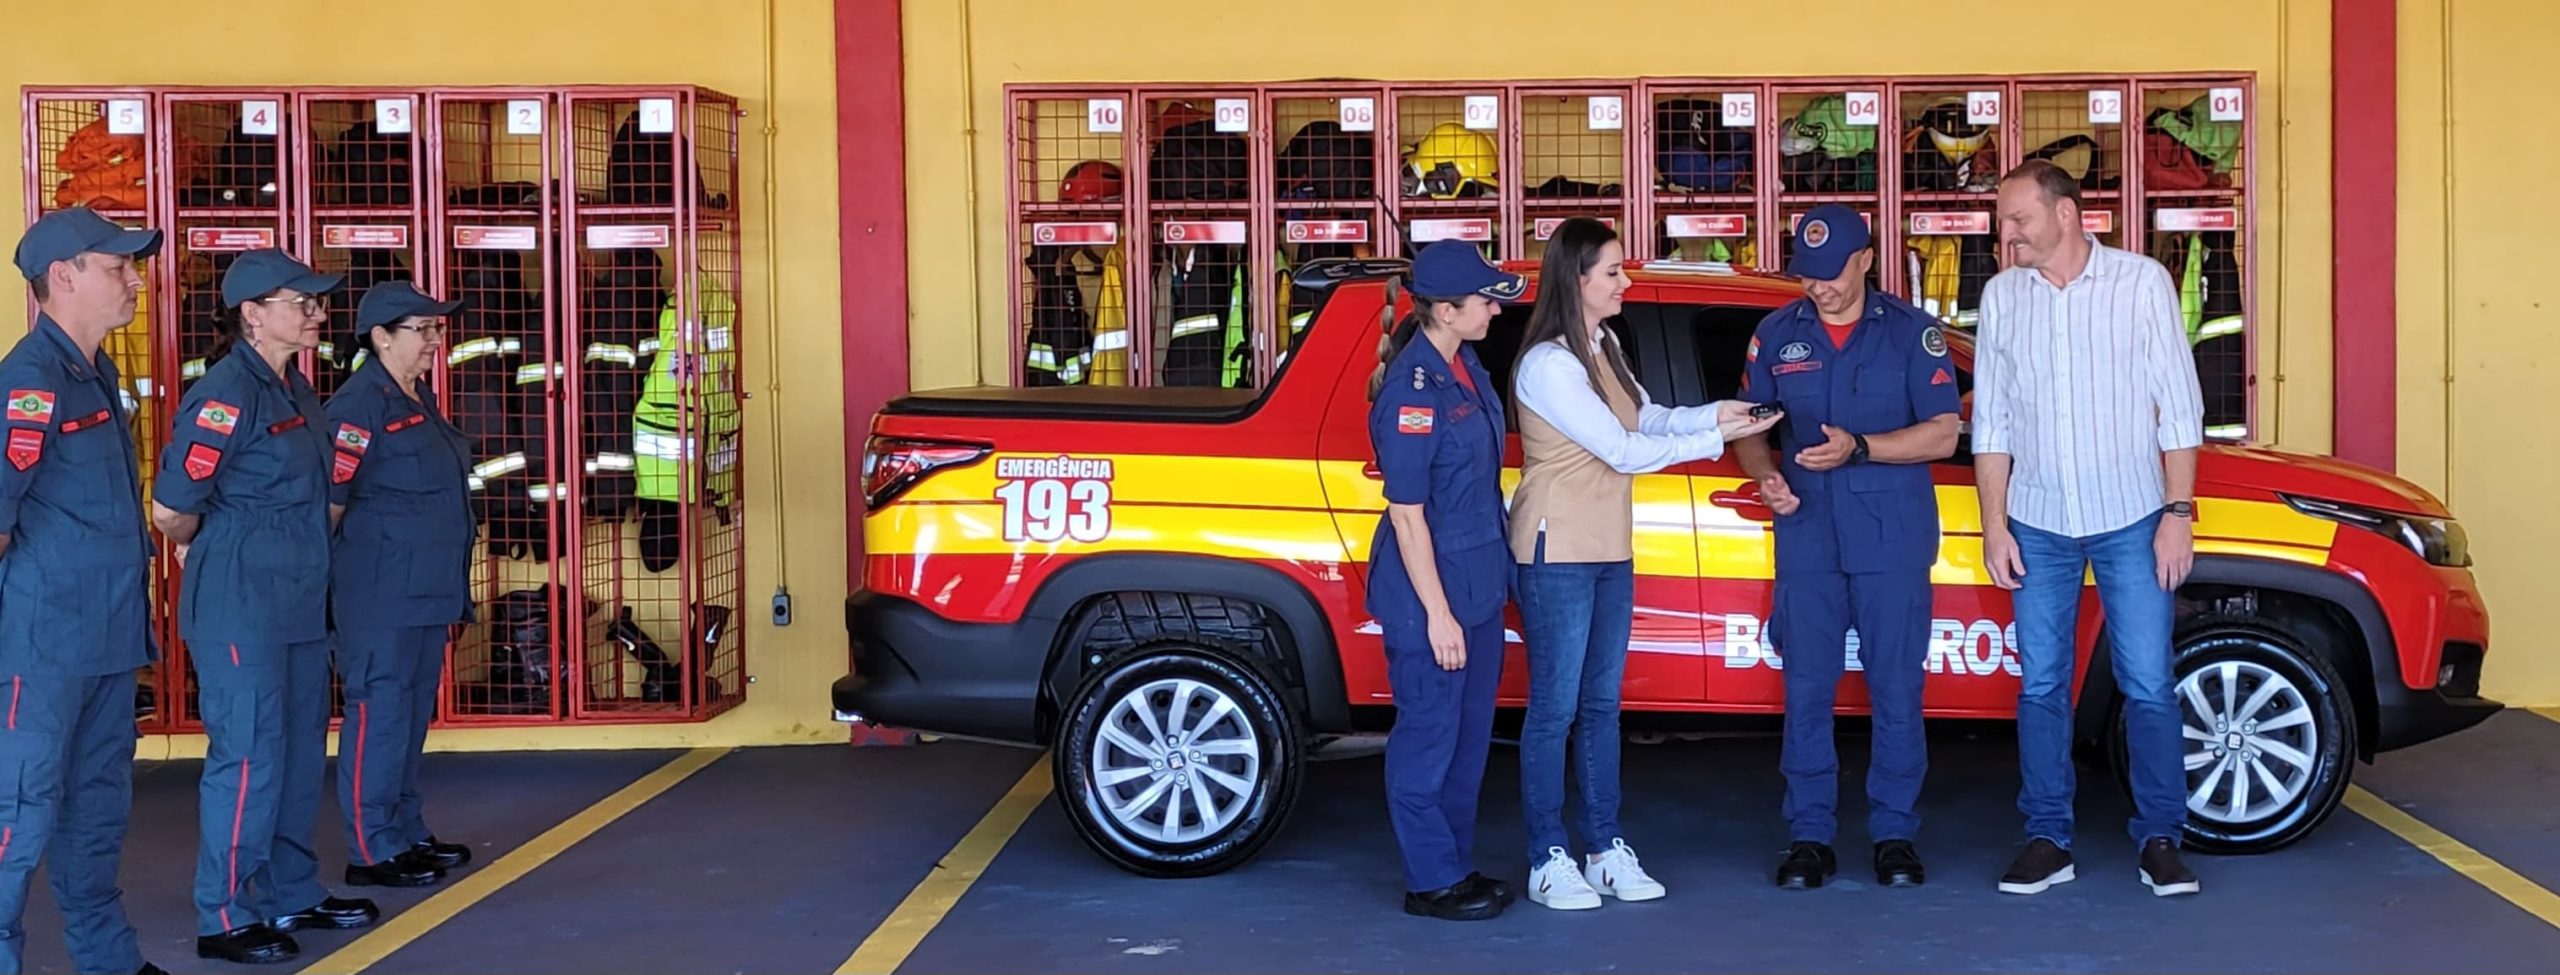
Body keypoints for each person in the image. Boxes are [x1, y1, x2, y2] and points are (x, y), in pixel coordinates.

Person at [1505, 217, 1778, 910]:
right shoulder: (1549, 364)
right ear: (1577, 279)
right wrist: (1714, 435)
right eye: (1613, 272)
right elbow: (1621, 450)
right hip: (1556, 551)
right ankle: (1547, 856)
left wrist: (1725, 413)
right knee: (1555, 709)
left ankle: (1603, 845)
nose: (1625, 281)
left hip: (1608, 549)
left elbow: (1649, 418)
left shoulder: (1604, 343)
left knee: (1601, 705)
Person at [1974, 159, 2206, 897]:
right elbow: (1993, 422)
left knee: (2147, 682)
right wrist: (1993, 526)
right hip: (2036, 519)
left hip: (2132, 516)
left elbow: (2179, 406)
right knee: (2041, 685)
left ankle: (2162, 837)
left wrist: (2177, 514)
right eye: (2002, 221)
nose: (2005, 235)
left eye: (2018, 219)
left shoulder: (2141, 284)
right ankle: (2048, 836)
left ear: (2067, 213)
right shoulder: (2002, 298)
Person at [150, 249, 377, 964]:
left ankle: (289, 887)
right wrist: (222, 546)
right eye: (300, 301)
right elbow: (170, 510)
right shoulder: (225, 394)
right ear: (252, 313)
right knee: (248, 756)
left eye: (316, 301)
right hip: (242, 605)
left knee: (300, 752)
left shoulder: (296, 390)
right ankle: (225, 912)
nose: (316, 312)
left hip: (299, 603)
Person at [1732, 204, 1960, 890]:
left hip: (1891, 540)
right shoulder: (1776, 333)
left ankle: (1894, 832)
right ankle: (1809, 835)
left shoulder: (1913, 336)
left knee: (1896, 688)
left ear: (1866, 258)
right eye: (1808, 274)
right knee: (1806, 688)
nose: (1819, 287)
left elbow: (1944, 433)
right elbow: (1750, 424)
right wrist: (1765, 473)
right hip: (1807, 536)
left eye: (1831, 273)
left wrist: (1863, 447)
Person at [0, 206, 170, 975]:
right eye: (118, 266)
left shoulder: (95, 370)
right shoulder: (30, 382)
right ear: (63, 276)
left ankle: (110, 963)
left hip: (104, 642)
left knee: (96, 815)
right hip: (44, 650)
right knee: (19, 818)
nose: (135, 280)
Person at [1365, 241, 1522, 922]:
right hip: (1431, 595)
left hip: (1478, 582)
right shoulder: (1413, 391)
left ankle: (1455, 864)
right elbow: (1406, 515)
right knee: (1429, 736)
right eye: (1485, 299)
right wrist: (1437, 615)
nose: (1495, 307)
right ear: (1447, 310)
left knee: (1468, 739)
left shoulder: (1469, 368)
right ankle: (1431, 879)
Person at [326, 281, 477, 890]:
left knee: (410, 713)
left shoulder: (417, 395)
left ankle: (405, 829)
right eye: (423, 330)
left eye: (437, 330)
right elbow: (331, 506)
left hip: (425, 588)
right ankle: (371, 847)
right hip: (379, 592)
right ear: (381, 337)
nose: (435, 342)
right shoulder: (358, 406)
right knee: (380, 712)